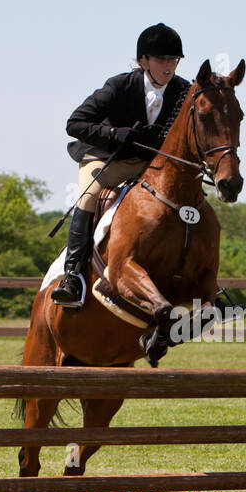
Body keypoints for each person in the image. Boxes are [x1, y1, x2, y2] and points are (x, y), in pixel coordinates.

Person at [51, 22, 193, 308]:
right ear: (143, 61)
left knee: (189, 201)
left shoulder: (183, 91)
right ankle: (72, 276)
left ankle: (204, 283)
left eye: (173, 60)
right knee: (89, 196)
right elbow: (74, 123)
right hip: (105, 157)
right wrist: (114, 134)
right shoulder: (119, 86)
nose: (168, 66)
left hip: (147, 165)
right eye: (162, 59)